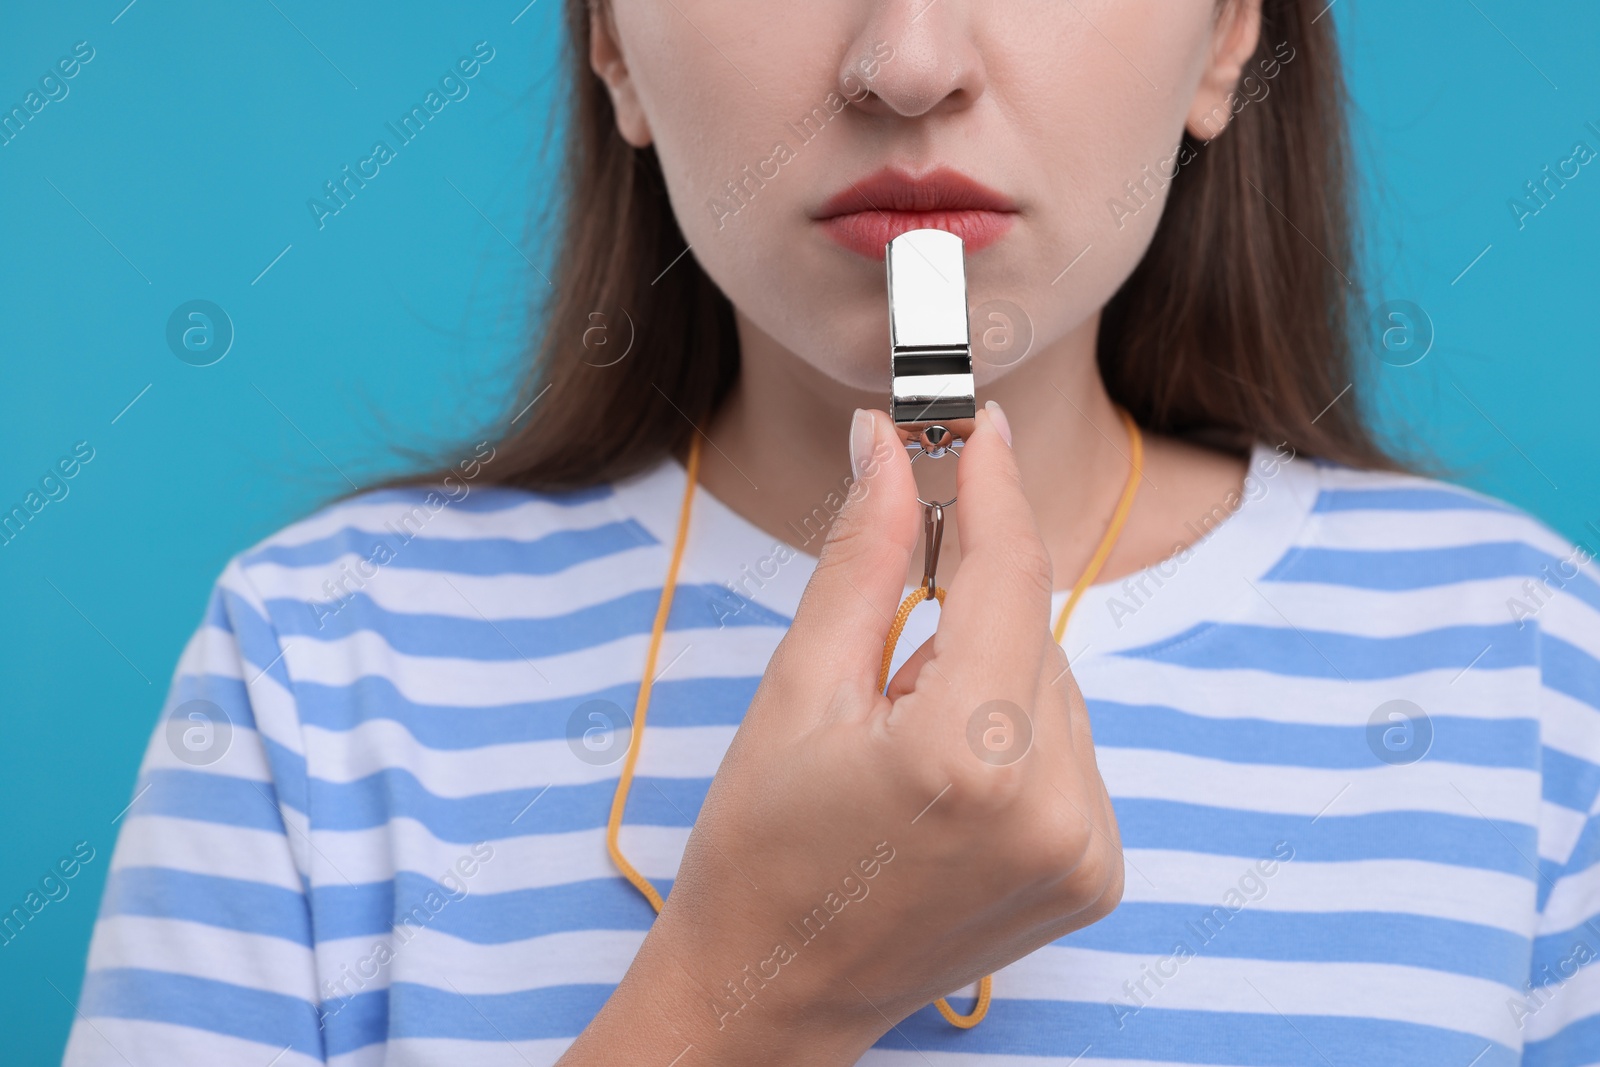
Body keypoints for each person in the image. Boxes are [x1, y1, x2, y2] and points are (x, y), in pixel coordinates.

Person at [66, 0, 1600, 1064]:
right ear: (613, 43)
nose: (909, 63)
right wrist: (754, 1006)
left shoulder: (1523, 671)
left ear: (1227, 35)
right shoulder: (318, 664)